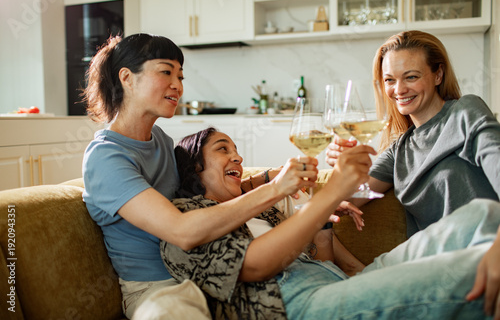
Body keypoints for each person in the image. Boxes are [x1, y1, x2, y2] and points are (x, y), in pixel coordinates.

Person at [81, 33, 319, 319]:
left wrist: (266, 179)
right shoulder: (106, 157)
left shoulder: (159, 139)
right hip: (161, 289)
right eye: (166, 72)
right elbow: (181, 230)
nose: (177, 85)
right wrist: (275, 189)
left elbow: (199, 196)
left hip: (204, 274)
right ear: (127, 78)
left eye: (180, 76)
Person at [155, 127, 500, 320]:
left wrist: (322, 217)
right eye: (222, 149)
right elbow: (257, 266)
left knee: (484, 214)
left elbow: (323, 259)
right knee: (474, 270)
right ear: (194, 166)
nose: (238, 157)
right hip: (295, 304)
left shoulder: (260, 209)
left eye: (236, 148)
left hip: (334, 282)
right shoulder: (183, 217)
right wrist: (331, 191)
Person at [326, 30, 500, 319]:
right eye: (390, 80)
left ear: (438, 75)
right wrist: (340, 166)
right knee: (336, 301)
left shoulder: (466, 112)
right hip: (427, 265)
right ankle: (355, 274)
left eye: (411, 76)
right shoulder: (399, 149)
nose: (399, 89)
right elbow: (349, 200)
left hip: (479, 248)